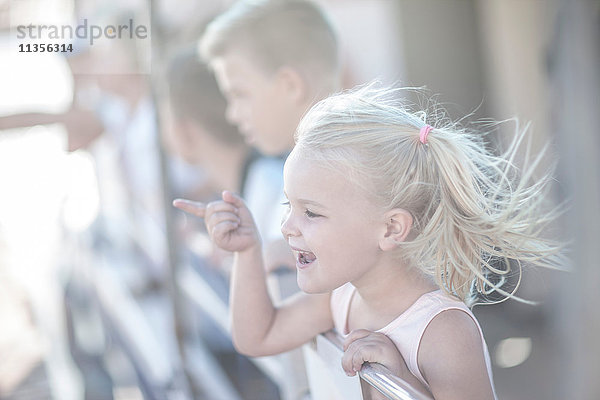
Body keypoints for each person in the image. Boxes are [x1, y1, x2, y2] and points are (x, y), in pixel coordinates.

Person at [174, 84, 566, 399]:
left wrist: (401, 385)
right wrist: (247, 251)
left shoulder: (443, 331)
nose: (288, 226)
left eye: (311, 212)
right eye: (288, 205)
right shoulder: (340, 298)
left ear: (392, 229)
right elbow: (256, 337)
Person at [197, 0, 341, 273]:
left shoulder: (337, 190)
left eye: (239, 95)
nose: (232, 114)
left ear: (290, 86)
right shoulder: (292, 179)